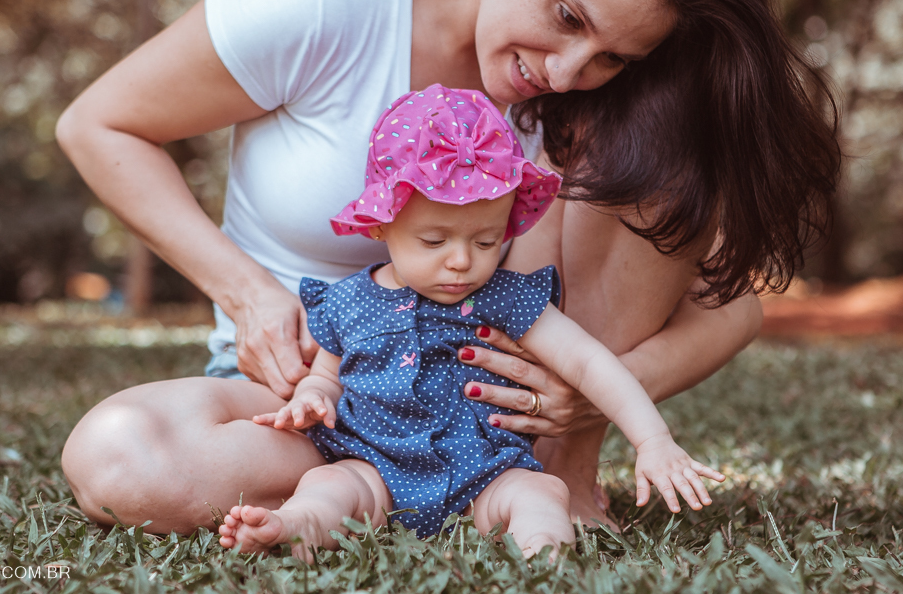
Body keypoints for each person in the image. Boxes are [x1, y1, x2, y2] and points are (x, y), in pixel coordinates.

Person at [56, 0, 840, 535]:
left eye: (613, 57)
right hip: (313, 406)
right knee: (119, 460)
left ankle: (550, 480)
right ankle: (377, 489)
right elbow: (98, 125)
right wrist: (248, 295)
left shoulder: (613, 101)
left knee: (659, 136)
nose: (567, 74)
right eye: (567, 15)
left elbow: (732, 310)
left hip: (505, 424)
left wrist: (596, 395)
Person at [217, 85, 726, 560]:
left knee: (540, 492)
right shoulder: (348, 301)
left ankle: (543, 554)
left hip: (485, 474)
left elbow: (589, 362)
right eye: (434, 242)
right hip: (374, 469)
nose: (462, 261)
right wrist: (313, 398)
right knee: (327, 488)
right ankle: (297, 525)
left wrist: (652, 440)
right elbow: (326, 375)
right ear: (382, 225)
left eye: (485, 241)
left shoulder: (505, 298)